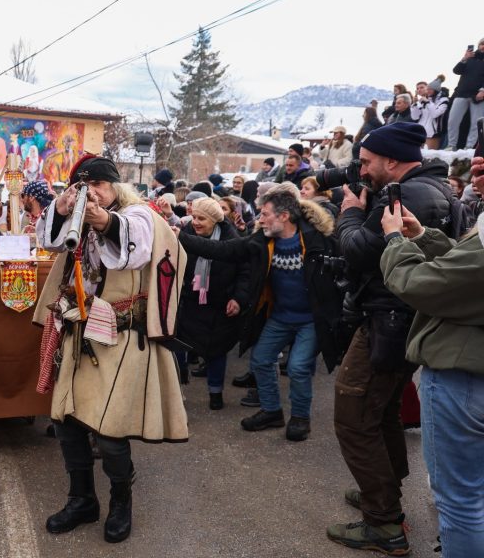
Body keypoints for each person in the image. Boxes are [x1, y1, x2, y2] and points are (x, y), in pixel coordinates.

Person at [34, 154, 187, 544]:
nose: (93, 194)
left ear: (114, 185)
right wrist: (64, 206)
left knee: (109, 430)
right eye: (84, 188)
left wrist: (100, 219)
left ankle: (121, 501)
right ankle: (82, 498)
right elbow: (48, 240)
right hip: (77, 331)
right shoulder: (76, 212)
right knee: (66, 421)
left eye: (98, 186)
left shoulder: (140, 215)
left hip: (119, 338)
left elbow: (132, 247)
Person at [327, 121, 460, 555]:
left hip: (388, 320)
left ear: (392, 160)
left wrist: (348, 211)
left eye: (366, 162)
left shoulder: (407, 195)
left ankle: (383, 521)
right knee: (380, 408)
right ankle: (382, 489)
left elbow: (359, 250)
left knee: (353, 413)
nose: (361, 170)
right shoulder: (438, 189)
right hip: (401, 320)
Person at [379, 155, 484, 557]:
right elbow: (465, 265)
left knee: (460, 503)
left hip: (463, 378)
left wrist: (394, 241)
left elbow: (419, 284)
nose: (475, 169)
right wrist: (423, 235)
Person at [179, 183, 342, 442]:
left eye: (265, 214)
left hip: (310, 319)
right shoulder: (262, 241)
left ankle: (300, 418)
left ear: (284, 216)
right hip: (279, 317)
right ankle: (272, 411)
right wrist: (180, 236)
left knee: (299, 367)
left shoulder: (316, 240)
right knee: (261, 360)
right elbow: (225, 250)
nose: (260, 219)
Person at [174, 197, 249, 410]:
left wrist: (238, 298)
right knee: (180, 345)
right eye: (194, 217)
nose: (195, 222)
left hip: (219, 303)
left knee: (217, 349)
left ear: (215, 220)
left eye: (201, 218)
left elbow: (245, 272)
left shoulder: (231, 238)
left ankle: (215, 392)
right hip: (189, 301)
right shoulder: (185, 233)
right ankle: (178, 386)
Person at [445, 39, 484, 150]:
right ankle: (451, 145)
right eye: (481, 44)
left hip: (478, 96)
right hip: (461, 93)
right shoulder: (470, 58)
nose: (483, 46)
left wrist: (483, 90)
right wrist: (464, 58)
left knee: (476, 123)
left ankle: (469, 146)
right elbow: (456, 70)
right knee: (453, 120)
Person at [412, 74, 449, 149]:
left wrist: (427, 103)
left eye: (430, 89)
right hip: (420, 132)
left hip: (433, 133)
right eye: (427, 89)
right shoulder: (424, 100)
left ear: (436, 90)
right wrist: (414, 104)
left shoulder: (444, 100)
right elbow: (415, 117)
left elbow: (435, 114)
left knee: (429, 156)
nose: (428, 91)